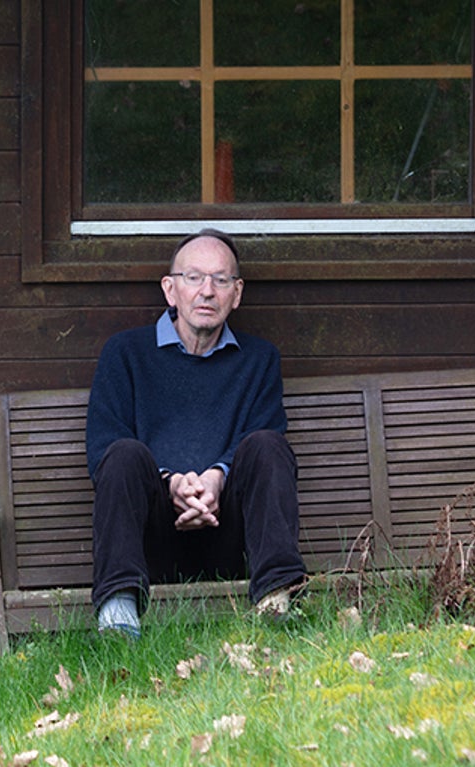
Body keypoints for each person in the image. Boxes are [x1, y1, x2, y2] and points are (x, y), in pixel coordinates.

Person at [86, 228, 306, 638]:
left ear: (236, 293)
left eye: (221, 280)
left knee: (268, 445)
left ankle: (276, 602)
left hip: (232, 538)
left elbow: (262, 433)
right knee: (121, 454)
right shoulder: (125, 353)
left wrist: (215, 478)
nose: (207, 291)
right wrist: (170, 484)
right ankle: (118, 620)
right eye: (194, 278)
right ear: (170, 289)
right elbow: (101, 449)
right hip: (150, 542)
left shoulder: (259, 360)